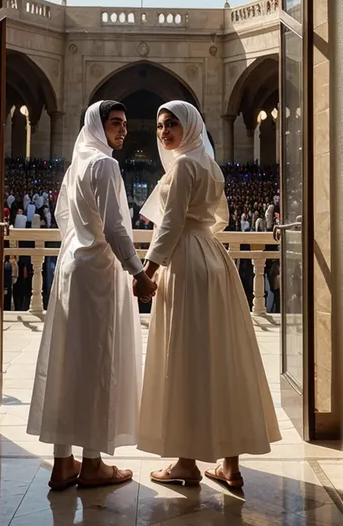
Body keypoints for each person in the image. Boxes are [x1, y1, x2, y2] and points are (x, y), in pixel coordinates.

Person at [137, 101, 281, 489]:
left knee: (188, 357)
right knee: (222, 355)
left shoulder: (184, 165)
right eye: (159, 126)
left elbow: (169, 223)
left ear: (190, 127)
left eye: (171, 125)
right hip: (214, 261)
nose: (164, 132)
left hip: (186, 261)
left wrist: (146, 272)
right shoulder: (210, 164)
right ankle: (229, 465)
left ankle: (186, 461)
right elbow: (222, 218)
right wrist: (202, 238)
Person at [27, 100, 156, 491]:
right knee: (96, 365)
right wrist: (139, 272)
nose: (122, 130)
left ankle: (63, 463)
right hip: (97, 274)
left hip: (72, 269)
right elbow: (117, 228)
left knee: (69, 362)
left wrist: (78, 247)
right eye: (115, 123)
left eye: (123, 123)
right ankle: (93, 464)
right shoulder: (105, 164)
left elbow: (65, 218)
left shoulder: (75, 164)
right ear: (98, 127)